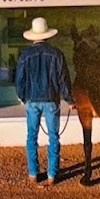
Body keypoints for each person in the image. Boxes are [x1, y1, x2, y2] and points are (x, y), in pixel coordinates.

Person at [13, 16, 74, 185]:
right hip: (51, 100)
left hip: (32, 99)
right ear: (48, 35)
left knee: (31, 136)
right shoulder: (56, 54)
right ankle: (52, 174)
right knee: (53, 136)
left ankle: (33, 173)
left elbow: (19, 80)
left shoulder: (25, 55)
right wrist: (69, 100)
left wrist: (22, 96)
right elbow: (63, 79)